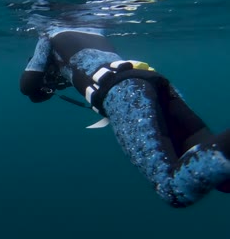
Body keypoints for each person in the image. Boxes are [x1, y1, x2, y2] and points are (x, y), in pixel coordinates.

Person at [19, 27, 230, 208]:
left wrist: (44, 81)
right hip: (152, 80)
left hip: (124, 93)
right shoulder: (94, 31)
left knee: (174, 190)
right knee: (223, 179)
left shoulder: (50, 34)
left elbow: (27, 86)